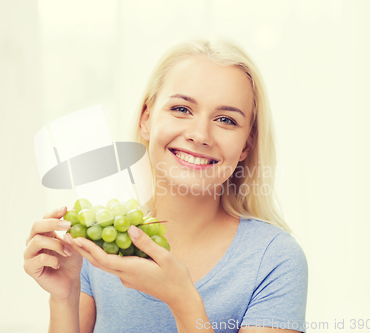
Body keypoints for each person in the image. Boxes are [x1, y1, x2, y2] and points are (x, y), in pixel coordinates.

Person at [24, 37, 309, 333]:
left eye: (225, 119)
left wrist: (182, 299)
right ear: (146, 119)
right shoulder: (102, 243)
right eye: (182, 109)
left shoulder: (275, 259)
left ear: (246, 145)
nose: (200, 135)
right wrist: (64, 298)